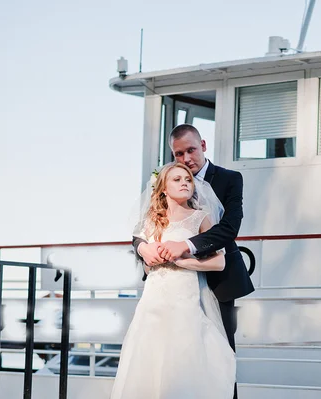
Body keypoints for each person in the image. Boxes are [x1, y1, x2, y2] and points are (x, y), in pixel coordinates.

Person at [133, 124, 255, 398]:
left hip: (219, 281)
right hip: (168, 288)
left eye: (190, 150)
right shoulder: (165, 180)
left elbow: (229, 227)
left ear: (203, 145)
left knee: (219, 356)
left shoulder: (229, 178)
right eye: (178, 154)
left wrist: (184, 247)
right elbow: (142, 229)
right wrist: (143, 249)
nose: (186, 159)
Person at [111, 162, 235, 399]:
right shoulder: (152, 221)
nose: (184, 183)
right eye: (177, 179)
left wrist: (183, 261)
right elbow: (147, 265)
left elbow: (219, 262)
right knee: (148, 363)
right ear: (163, 188)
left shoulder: (200, 218)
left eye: (187, 179)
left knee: (183, 361)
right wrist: (150, 256)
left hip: (185, 301)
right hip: (153, 303)